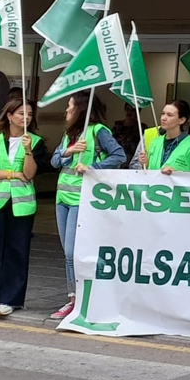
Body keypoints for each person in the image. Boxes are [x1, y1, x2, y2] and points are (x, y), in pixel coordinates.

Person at [49, 92, 128, 320]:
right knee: (67, 252)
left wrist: (93, 166)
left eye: (69, 106)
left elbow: (119, 155)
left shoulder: (98, 131)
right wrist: (68, 151)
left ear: (80, 109)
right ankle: (73, 298)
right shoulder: (68, 134)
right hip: (62, 196)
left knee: (74, 252)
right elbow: (54, 161)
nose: (66, 110)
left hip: (81, 198)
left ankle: (80, 299)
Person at [0, 98, 53, 321]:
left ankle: (10, 299)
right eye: (20, 113)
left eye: (29, 114)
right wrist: (12, 174)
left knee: (17, 250)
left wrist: (27, 151)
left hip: (21, 204)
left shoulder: (35, 142)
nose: (26, 117)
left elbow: (29, 174)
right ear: (9, 116)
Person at [139, 100, 190, 174]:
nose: (163, 118)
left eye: (169, 115)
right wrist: (145, 164)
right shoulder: (155, 142)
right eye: (163, 114)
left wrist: (176, 173)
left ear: (182, 120)